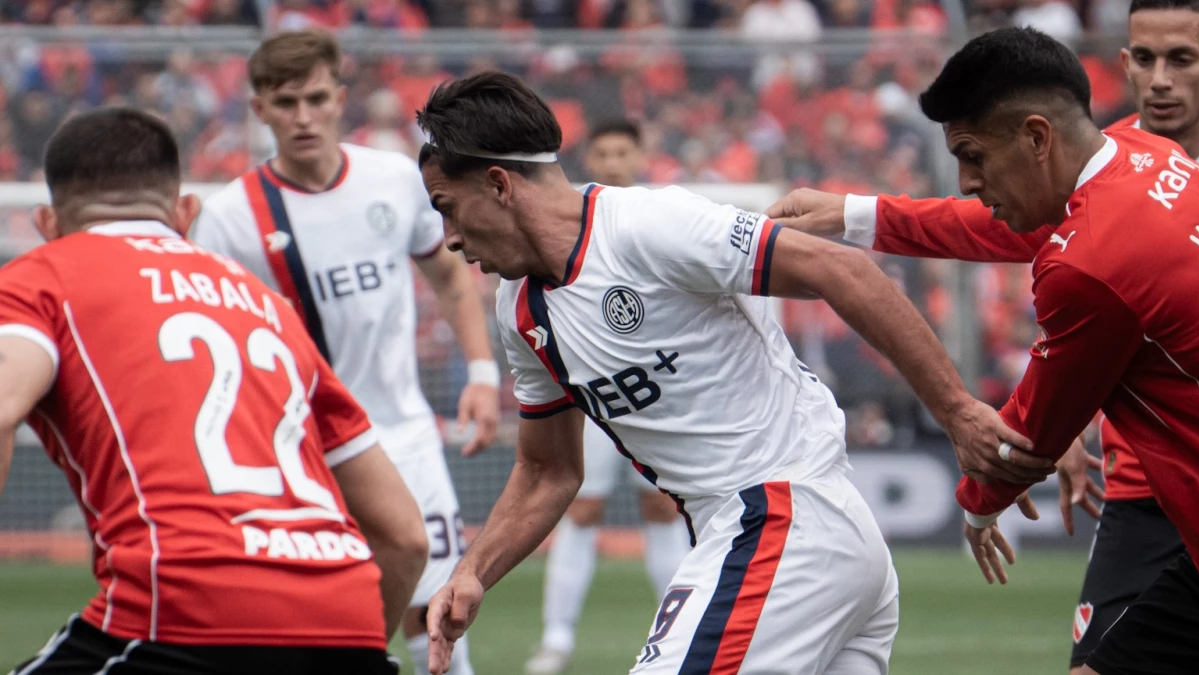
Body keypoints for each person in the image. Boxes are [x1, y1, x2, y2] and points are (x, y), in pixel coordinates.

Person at [413, 70, 1045, 675]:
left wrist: (958, 412)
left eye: (447, 207)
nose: (449, 238)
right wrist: (472, 572)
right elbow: (547, 471)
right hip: (778, 537)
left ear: (499, 184)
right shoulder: (519, 309)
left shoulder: (645, 225)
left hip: (783, 518)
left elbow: (844, 269)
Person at [765, 2, 1199, 669]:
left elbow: (1028, 439)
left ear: (1036, 137)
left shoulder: (1088, 262)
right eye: (1145, 58)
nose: (968, 182)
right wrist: (856, 212)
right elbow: (1010, 227)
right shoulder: (1147, 154)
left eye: (973, 157)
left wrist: (976, 505)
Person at [1, 108, 429, 674]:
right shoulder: (269, 307)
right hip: (344, 617)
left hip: (183, 606)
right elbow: (405, 536)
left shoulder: (40, 277)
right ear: (185, 212)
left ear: (47, 222)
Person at [189, 30, 499, 675]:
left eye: (315, 98)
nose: (302, 117)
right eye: (285, 103)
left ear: (339, 98)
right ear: (260, 109)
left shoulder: (393, 179)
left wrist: (480, 371)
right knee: (324, 622)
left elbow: (449, 276)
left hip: (405, 435)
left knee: (438, 619)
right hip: (301, 452)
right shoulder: (231, 218)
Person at [525, 119, 692, 675]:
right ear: (589, 161)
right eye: (604, 153)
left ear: (640, 156)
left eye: (624, 152)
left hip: (659, 391)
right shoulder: (570, 223)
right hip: (594, 393)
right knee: (583, 507)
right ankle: (556, 638)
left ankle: (678, 635)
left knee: (663, 510)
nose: (614, 163)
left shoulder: (658, 217)